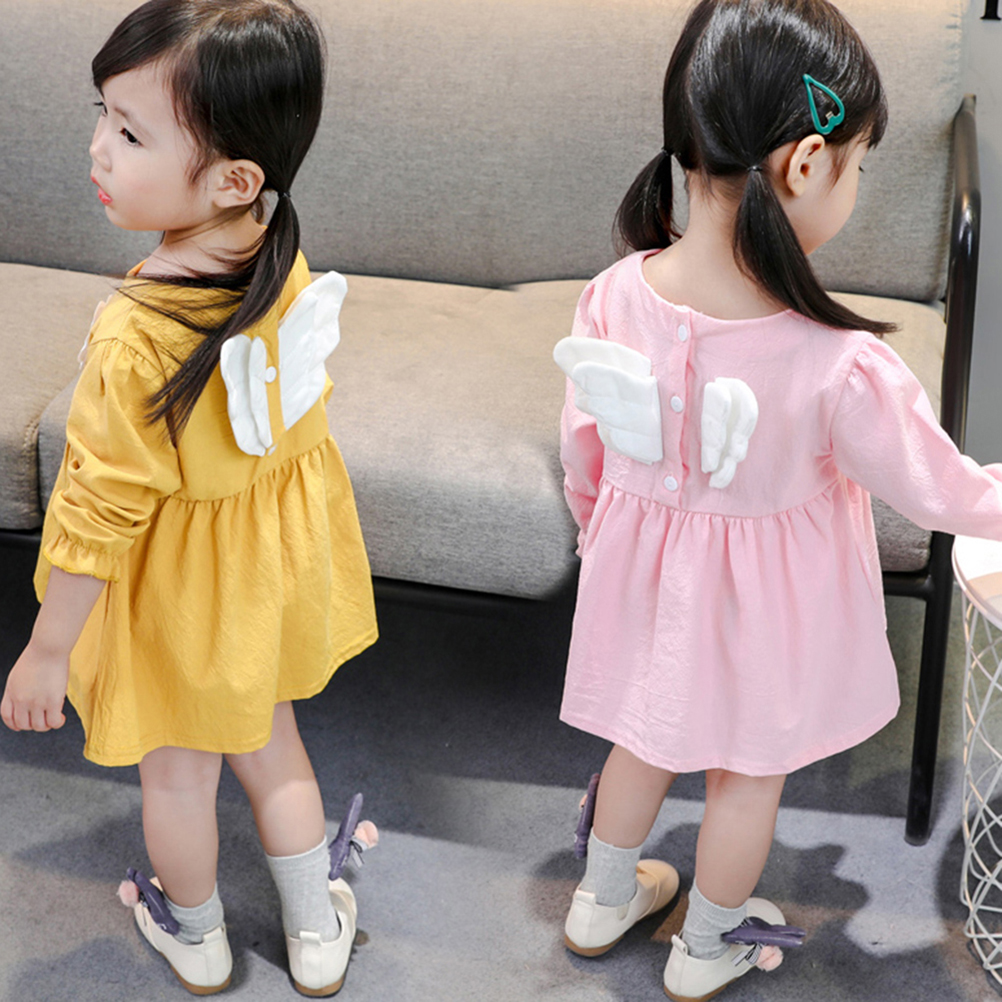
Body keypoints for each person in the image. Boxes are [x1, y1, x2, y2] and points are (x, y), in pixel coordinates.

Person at [554, 1, 1002, 999]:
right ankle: (706, 946)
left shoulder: (615, 294)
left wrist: (599, 532)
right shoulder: (838, 362)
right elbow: (936, 487)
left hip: (643, 579)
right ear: (805, 163)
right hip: (767, 613)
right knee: (746, 775)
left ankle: (598, 900)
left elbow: (583, 443)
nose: (857, 181)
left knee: (641, 735)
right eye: (859, 162)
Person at [0, 1, 378, 995]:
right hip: (260, 575)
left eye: (130, 134)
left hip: (174, 594)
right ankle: (317, 931)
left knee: (176, 772)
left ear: (232, 180)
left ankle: (197, 934)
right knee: (273, 744)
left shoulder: (136, 335)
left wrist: (47, 650)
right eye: (102, 115)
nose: (98, 147)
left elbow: (98, 514)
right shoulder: (277, 253)